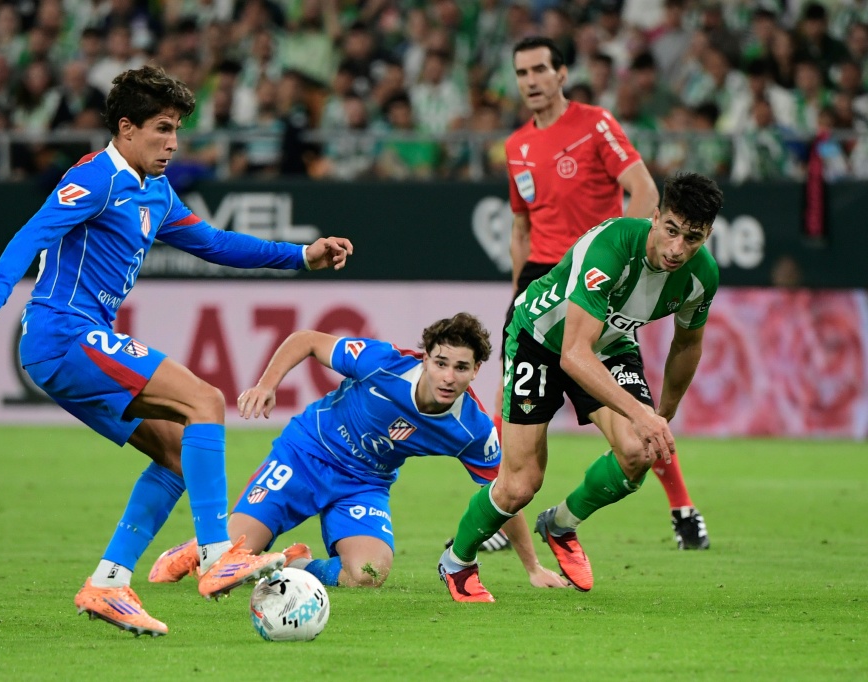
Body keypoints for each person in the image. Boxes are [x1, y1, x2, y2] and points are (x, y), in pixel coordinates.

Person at [0, 65, 353, 637]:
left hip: (72, 344)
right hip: (63, 331)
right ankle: (217, 554)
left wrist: (300, 256)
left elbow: (212, 242)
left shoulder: (155, 189)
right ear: (126, 128)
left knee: (180, 456)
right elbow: (33, 231)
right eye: (162, 128)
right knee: (205, 401)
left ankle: (108, 583)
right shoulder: (97, 175)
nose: (173, 143)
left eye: (178, 129)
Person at [439, 172, 724, 600]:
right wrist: (641, 412)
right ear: (655, 216)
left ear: (708, 235)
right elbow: (573, 353)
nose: (677, 249)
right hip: (539, 338)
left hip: (608, 344)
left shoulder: (702, 277)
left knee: (638, 451)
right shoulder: (611, 246)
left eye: (693, 238)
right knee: (519, 486)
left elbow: (687, 345)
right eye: (671, 230)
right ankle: (457, 561)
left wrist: (661, 414)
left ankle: (561, 524)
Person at [147, 314, 568, 596]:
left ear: (476, 371)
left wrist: (532, 568)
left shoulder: (472, 428)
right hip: (305, 456)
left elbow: (506, 494)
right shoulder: (384, 364)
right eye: (441, 363)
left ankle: (292, 567)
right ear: (426, 358)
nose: (448, 376)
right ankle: (198, 548)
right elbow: (307, 340)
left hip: (363, 486)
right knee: (222, 570)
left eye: (461, 367)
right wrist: (266, 384)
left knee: (368, 575)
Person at [496, 36, 710, 552]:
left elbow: (644, 190)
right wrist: (518, 285)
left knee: (636, 406)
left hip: (600, 275)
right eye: (522, 72)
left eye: (541, 69)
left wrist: (627, 257)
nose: (531, 81)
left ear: (562, 73)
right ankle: (508, 516)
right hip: (543, 282)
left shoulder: (595, 124)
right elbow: (521, 225)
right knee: (511, 408)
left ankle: (682, 506)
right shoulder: (516, 148)